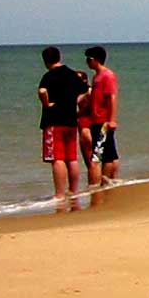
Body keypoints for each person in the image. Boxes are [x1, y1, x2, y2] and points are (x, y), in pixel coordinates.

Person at [38, 47, 89, 200]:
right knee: (71, 158)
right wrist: (78, 104)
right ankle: (73, 191)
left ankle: (60, 194)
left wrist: (46, 104)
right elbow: (88, 91)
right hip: (71, 120)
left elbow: (42, 92)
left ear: (45, 60)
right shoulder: (72, 74)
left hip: (54, 120)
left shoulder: (48, 76)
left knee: (57, 158)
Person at [84, 45, 120, 186]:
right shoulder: (96, 77)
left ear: (96, 60)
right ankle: (106, 181)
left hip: (103, 121)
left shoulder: (107, 76)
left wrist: (111, 120)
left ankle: (101, 183)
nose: (87, 62)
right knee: (106, 155)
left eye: (89, 59)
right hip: (95, 120)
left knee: (99, 157)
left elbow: (112, 97)